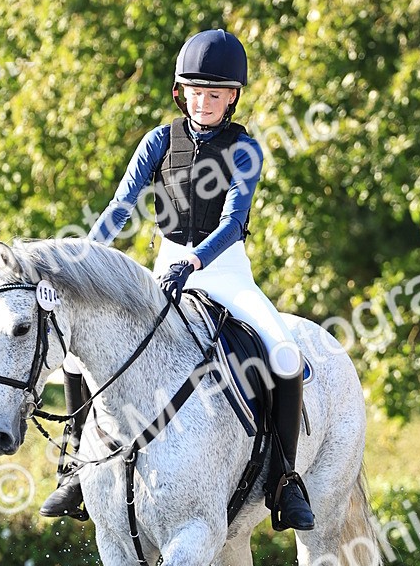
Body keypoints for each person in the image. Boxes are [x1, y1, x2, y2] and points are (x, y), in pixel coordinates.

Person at [40, 28, 314, 532]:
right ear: (179, 92)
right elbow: (121, 207)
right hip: (162, 267)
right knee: (79, 352)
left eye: (215, 94)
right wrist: (84, 256)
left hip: (222, 269)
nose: (204, 102)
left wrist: (193, 263)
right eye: (196, 92)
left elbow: (233, 222)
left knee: (284, 354)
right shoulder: (158, 141)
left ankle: (284, 479)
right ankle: (77, 466)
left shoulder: (244, 148)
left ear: (232, 97)